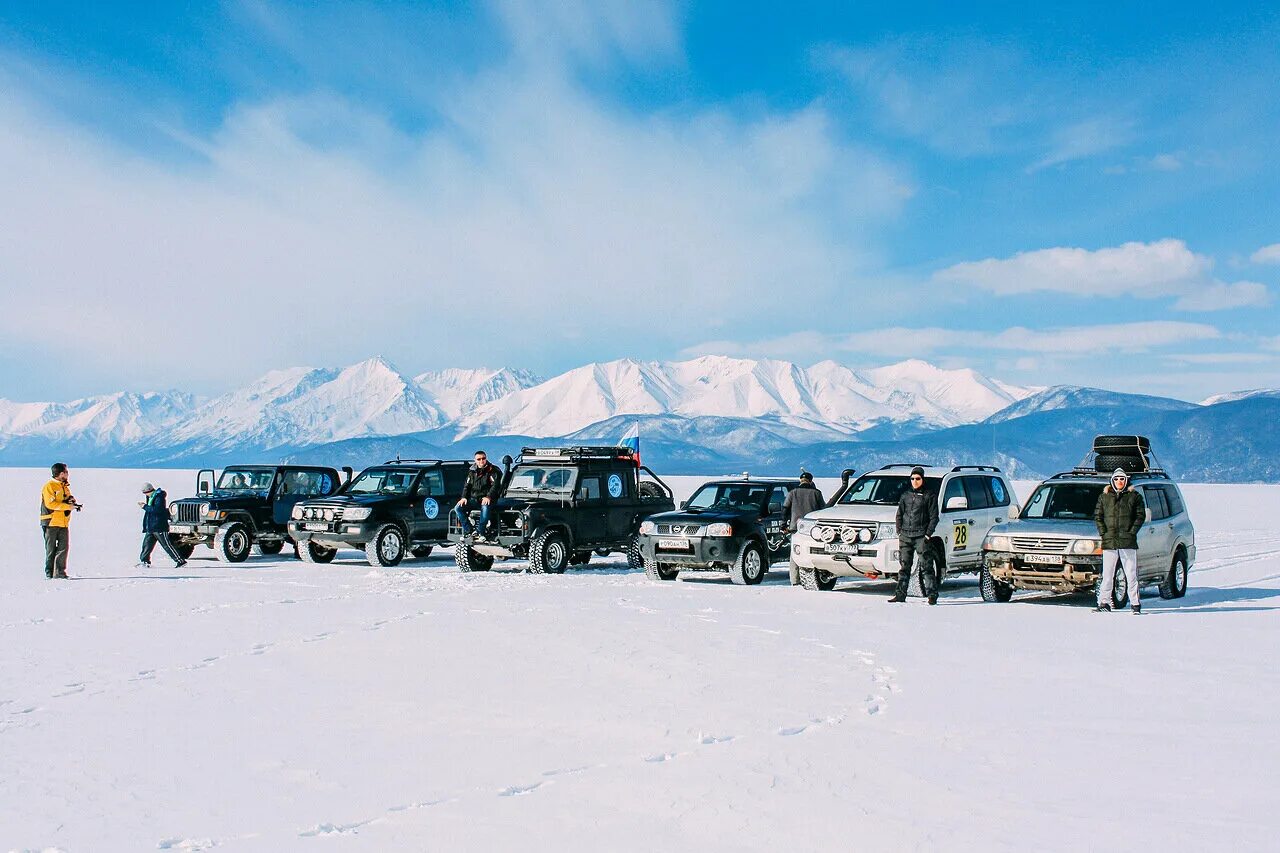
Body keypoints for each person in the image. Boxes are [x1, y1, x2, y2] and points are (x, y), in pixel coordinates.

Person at [1094, 468, 1146, 614]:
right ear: (1112, 481)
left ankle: (1135, 604)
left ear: (1126, 480)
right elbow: (1098, 516)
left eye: (1122, 479)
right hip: (1109, 541)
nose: (1119, 482)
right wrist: (1104, 533)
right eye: (1116, 479)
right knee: (1107, 574)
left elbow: (1140, 516)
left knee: (1131, 574)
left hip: (1127, 542)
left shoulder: (1134, 496)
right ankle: (1104, 603)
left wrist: (1132, 532)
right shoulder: (1104, 497)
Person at [890, 466, 939, 605]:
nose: (915, 481)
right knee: (904, 566)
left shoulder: (929, 495)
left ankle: (932, 595)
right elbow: (899, 514)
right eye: (912, 479)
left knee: (926, 566)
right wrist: (899, 530)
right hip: (905, 535)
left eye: (918, 478)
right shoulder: (905, 495)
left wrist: (928, 534)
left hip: (921, 536)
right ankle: (900, 594)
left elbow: (934, 517)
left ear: (922, 479)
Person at [784, 472, 825, 585]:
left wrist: (784, 525)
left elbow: (785, 509)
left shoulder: (792, 492)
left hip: (795, 527)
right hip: (813, 529)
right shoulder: (816, 493)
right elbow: (823, 509)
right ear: (811, 481)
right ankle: (815, 576)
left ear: (800, 480)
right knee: (813, 552)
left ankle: (794, 580)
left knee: (795, 553)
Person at [40, 462, 79, 579]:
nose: (68, 474)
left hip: (63, 522)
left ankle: (60, 573)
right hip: (50, 522)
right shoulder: (49, 486)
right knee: (50, 549)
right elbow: (50, 504)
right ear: (61, 473)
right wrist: (67, 507)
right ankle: (49, 573)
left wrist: (72, 501)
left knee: (63, 548)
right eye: (66, 472)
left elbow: (66, 499)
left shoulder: (65, 486)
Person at [454, 450, 503, 540]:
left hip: (488, 499)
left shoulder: (493, 470)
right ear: (475, 460)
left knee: (485, 507)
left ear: (486, 458)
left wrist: (488, 496)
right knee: (458, 508)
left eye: (483, 458)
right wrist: (464, 497)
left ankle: (481, 531)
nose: (481, 461)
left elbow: (495, 486)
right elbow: (467, 485)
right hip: (474, 499)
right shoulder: (472, 471)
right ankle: (469, 530)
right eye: (479, 459)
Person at [137, 483, 187, 569]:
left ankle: (180, 561)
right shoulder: (151, 497)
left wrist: (145, 506)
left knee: (166, 545)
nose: (145, 495)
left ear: (149, 490)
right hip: (151, 527)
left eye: (145, 493)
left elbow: (158, 510)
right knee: (146, 545)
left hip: (159, 526)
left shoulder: (159, 497)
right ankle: (144, 562)